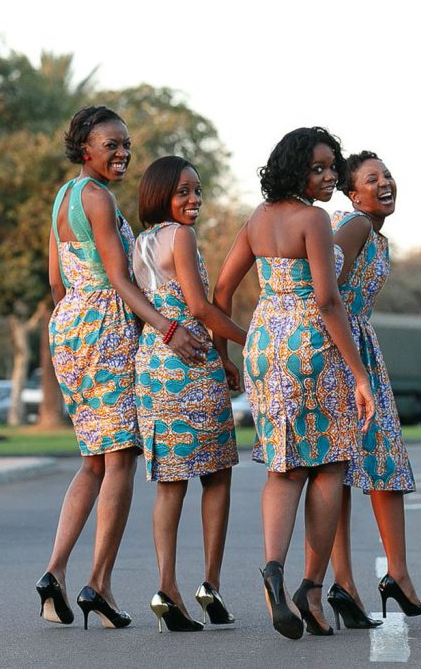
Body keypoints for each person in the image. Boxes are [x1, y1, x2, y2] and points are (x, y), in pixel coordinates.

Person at [36, 106, 206, 630]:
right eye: (111, 144)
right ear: (85, 148)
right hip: (105, 325)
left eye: (126, 144)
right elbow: (120, 280)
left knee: (93, 459)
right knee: (121, 458)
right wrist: (166, 328)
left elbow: (56, 283)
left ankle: (53, 575)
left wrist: (77, 323)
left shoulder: (63, 198)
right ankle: (99, 585)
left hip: (68, 327)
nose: (122, 152)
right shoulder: (99, 199)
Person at [212, 127, 375, 639]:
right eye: (318, 169)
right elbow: (328, 301)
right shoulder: (314, 219)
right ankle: (309, 583)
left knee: (282, 465)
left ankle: (272, 566)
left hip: (264, 342)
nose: (329, 177)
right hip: (312, 343)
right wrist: (360, 373)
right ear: (295, 169)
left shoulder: (258, 219)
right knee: (329, 464)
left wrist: (230, 351)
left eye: (332, 167)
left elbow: (221, 291)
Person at [132, 156, 248, 633]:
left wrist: (221, 355)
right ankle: (210, 585)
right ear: (160, 194)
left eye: (197, 191)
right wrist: (250, 339)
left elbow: (156, 304)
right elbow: (198, 306)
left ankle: (166, 587)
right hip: (190, 362)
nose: (193, 200)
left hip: (154, 360)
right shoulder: (180, 237)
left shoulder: (139, 243)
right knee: (216, 474)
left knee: (170, 479)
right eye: (183, 191)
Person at [325, 151, 421, 628]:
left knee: (348, 469)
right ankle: (388, 577)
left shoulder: (374, 234)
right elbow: (323, 288)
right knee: (367, 465)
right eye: (373, 179)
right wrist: (351, 363)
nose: (386, 183)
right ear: (352, 193)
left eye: (387, 175)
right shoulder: (353, 227)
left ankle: (353, 583)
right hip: (344, 352)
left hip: (358, 346)